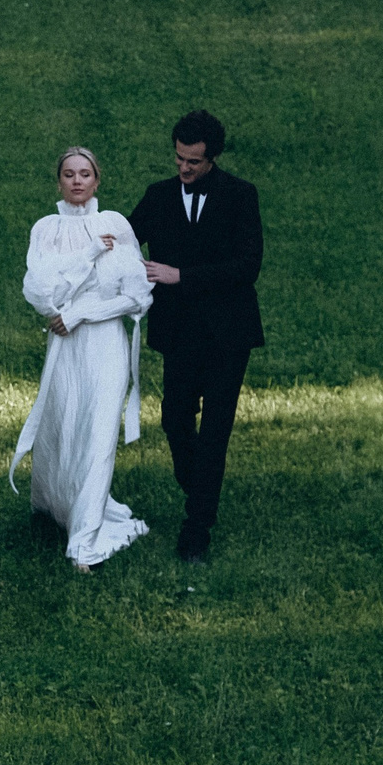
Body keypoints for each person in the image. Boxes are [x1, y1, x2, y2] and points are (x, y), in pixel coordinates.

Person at [9, 146, 154, 572]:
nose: (77, 181)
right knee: (63, 423)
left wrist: (82, 312)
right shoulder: (46, 229)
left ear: (97, 180)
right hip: (66, 346)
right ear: (59, 181)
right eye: (69, 174)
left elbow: (137, 297)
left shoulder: (115, 226)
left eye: (85, 174)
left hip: (104, 342)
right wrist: (86, 259)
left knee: (98, 431)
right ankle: (57, 503)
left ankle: (84, 537)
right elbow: (40, 290)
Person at [129, 109, 264, 564]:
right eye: (179, 158)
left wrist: (179, 275)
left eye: (193, 162)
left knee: (215, 433)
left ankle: (197, 526)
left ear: (213, 159)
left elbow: (247, 268)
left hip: (228, 334)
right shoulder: (158, 196)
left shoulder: (241, 197)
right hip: (180, 334)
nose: (183, 168)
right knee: (174, 421)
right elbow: (126, 243)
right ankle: (202, 486)